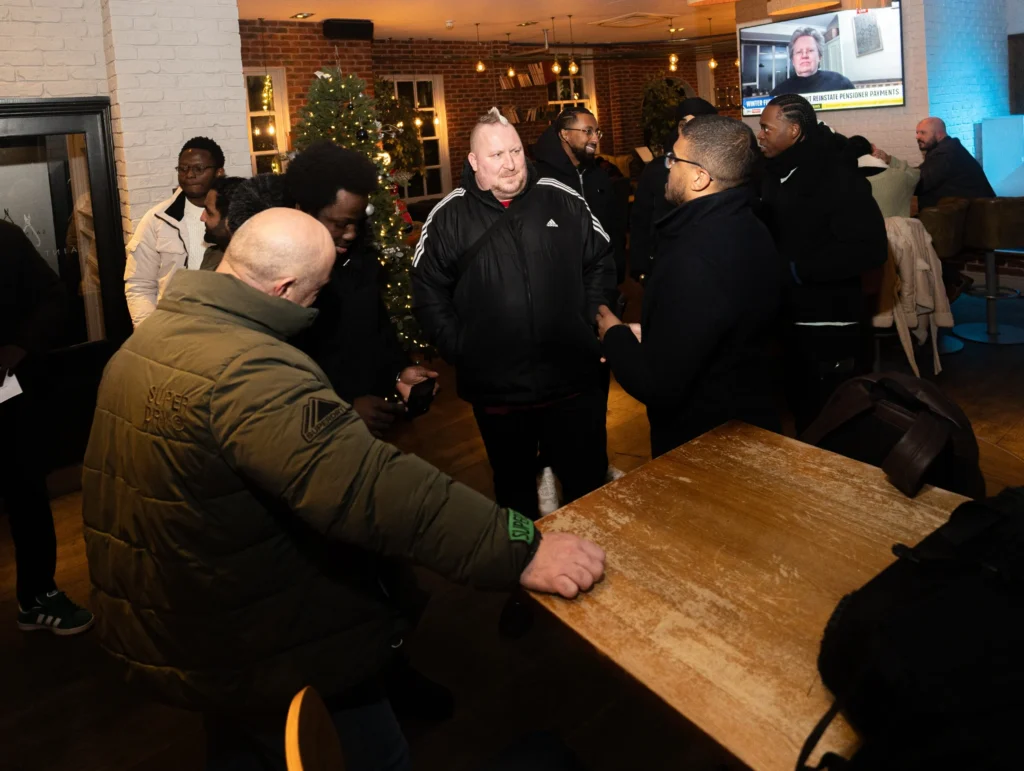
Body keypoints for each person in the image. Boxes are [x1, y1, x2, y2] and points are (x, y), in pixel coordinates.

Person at [81, 207, 606, 771]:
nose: (318, 305)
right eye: (314, 292)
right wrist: (520, 547)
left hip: (191, 625)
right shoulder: (250, 370)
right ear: (283, 287)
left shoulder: (152, 338)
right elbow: (369, 486)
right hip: (268, 640)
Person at [411, 107, 616, 522]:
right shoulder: (448, 217)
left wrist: (589, 323)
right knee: (514, 494)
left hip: (572, 383)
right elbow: (428, 290)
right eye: (496, 155)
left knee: (588, 486)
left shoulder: (562, 196)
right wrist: (460, 347)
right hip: (499, 393)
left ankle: (601, 566)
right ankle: (522, 568)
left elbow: (601, 259)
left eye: (516, 151)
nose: (509, 164)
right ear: (473, 162)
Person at [597, 116, 782, 457]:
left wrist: (614, 334)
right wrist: (654, 332)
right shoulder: (751, 227)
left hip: (704, 445)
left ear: (699, 177)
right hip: (748, 421)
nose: (667, 167)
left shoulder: (692, 255)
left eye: (674, 159)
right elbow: (714, 329)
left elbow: (658, 384)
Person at [284, 143, 437, 440]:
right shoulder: (282, 278)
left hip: (373, 424)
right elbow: (286, 372)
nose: (351, 234)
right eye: (340, 224)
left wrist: (399, 373)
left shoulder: (360, 261)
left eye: (357, 222)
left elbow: (376, 331)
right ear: (303, 211)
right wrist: (343, 406)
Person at [757, 94, 887, 432]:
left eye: (766, 129)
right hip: (790, 321)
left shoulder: (836, 176)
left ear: (795, 130)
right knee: (802, 416)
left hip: (830, 324)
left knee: (833, 424)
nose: (760, 135)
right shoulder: (774, 173)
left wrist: (798, 271)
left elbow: (870, 249)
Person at [0, 221, 94, 636]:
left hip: (5, 390)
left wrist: (21, 344)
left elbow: (54, 295)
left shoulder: (4, 236)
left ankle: (37, 595)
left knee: (26, 490)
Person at [123, 136, 226, 326]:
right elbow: (139, 284)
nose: (189, 175)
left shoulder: (235, 216)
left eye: (198, 169)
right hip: (175, 330)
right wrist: (150, 333)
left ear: (219, 172)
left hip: (227, 327)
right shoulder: (158, 219)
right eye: (183, 169)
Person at [533, 106, 627, 285]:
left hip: (602, 281)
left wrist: (616, 268)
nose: (594, 139)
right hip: (559, 285)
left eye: (597, 132)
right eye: (587, 131)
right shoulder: (540, 179)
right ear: (565, 135)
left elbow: (615, 226)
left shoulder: (599, 175)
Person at [629, 98, 717, 282]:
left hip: (709, 264)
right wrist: (640, 267)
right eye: (682, 124)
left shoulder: (721, 168)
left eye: (694, 124)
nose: (687, 130)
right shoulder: (656, 169)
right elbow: (640, 219)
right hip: (663, 264)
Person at [873, 117, 995, 210]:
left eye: (923, 133)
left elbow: (918, 183)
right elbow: (919, 175)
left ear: (939, 134)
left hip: (975, 218)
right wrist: (890, 161)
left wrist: (889, 173)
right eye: (917, 132)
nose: (917, 137)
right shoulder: (946, 149)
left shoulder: (945, 154)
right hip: (971, 214)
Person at [770, 28, 855, 97]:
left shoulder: (841, 83)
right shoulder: (779, 93)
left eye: (810, 50)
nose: (804, 55)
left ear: (819, 56)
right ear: (793, 60)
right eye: (799, 52)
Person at [199, 175, 245, 270]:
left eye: (209, 212)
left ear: (231, 220)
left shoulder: (257, 265)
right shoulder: (212, 255)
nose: (202, 218)